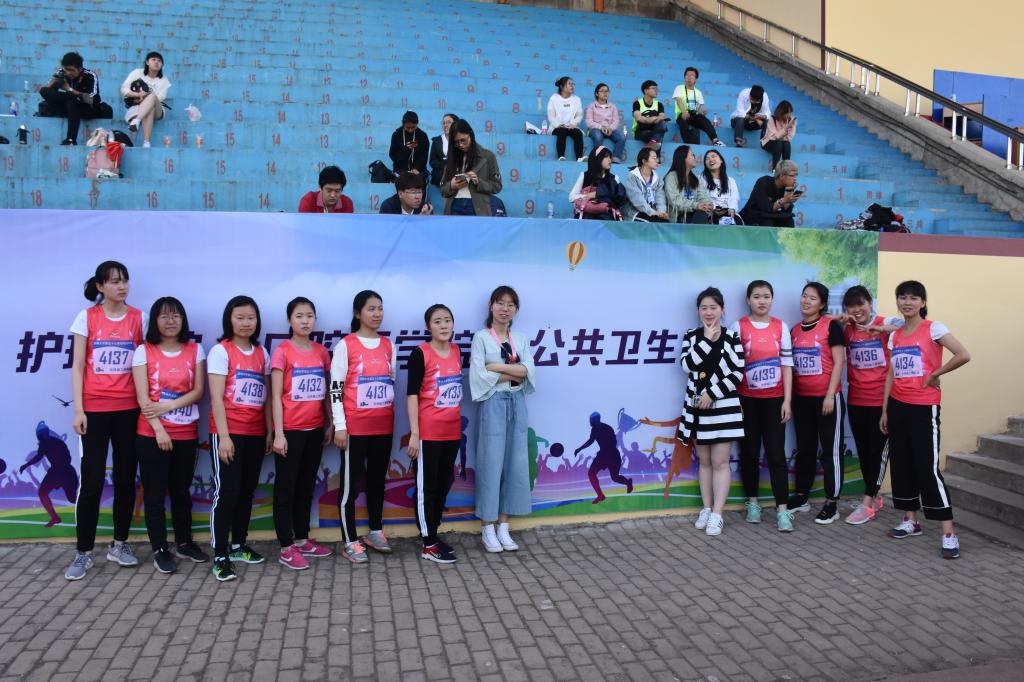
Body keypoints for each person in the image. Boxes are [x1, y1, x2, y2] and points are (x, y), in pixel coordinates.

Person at [65, 261, 145, 581]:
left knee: (125, 479)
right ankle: (83, 552)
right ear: (100, 286)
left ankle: (119, 544)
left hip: (129, 411)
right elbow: (77, 367)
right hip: (95, 412)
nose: (121, 286)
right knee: (92, 481)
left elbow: (144, 364)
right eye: (114, 281)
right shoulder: (86, 318)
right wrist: (79, 410)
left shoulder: (139, 318)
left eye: (125, 280)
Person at [881, 281, 970, 559]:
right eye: (902, 298)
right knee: (902, 464)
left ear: (922, 302)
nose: (907, 302)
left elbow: (963, 354)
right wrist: (885, 409)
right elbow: (891, 374)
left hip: (924, 407)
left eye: (913, 298)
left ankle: (948, 533)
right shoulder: (895, 336)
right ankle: (911, 520)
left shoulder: (934, 328)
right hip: (898, 406)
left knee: (927, 467)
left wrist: (935, 374)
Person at [132, 297, 207, 574]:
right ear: (155, 321)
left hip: (186, 433)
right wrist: (160, 430)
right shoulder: (144, 351)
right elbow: (143, 398)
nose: (170, 321)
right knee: (154, 493)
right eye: (164, 316)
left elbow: (198, 392)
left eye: (176, 315)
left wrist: (168, 406)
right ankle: (160, 549)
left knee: (181, 491)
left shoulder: (195, 350)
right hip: (151, 434)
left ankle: (184, 542)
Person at [208, 295, 273, 582]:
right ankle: (220, 555)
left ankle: (238, 545)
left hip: (255, 433)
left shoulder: (262, 353)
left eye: (251, 318)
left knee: (246, 491)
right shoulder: (221, 351)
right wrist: (224, 437)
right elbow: (216, 398)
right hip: (229, 433)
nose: (246, 323)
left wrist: (269, 430)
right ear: (229, 320)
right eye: (240, 318)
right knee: (227, 493)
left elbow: (266, 396)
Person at [330, 291, 396, 564]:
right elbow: (336, 388)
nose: (377, 313)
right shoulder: (346, 345)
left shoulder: (388, 345)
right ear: (358, 313)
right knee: (350, 486)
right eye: (371, 309)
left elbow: (391, 381)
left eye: (380, 308)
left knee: (377, 481)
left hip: (383, 426)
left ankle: (376, 532)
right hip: (355, 428)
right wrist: (340, 425)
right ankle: (350, 541)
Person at [470, 286, 536, 553]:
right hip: (493, 404)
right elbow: (478, 376)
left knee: (515, 463)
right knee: (491, 463)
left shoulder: (520, 338)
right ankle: (487, 527)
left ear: (516, 310)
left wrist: (496, 367)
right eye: (500, 303)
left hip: (517, 403)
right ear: (491, 306)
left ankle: (504, 526)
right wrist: (514, 371)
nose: (504, 308)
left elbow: (528, 371)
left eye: (510, 304)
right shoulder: (481, 338)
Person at [269, 297, 334, 570]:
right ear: (289, 320)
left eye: (309, 316)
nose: (305, 321)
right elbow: (275, 396)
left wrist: (330, 422)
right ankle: (286, 547)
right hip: (290, 432)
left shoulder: (321, 352)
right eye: (299, 316)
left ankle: (302, 539)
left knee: (306, 487)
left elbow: (328, 391)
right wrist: (278, 434)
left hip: (315, 430)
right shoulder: (282, 351)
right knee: (286, 489)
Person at [679, 287, 745, 537]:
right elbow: (687, 365)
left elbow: (738, 372)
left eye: (713, 308)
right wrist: (706, 339)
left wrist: (713, 393)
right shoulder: (691, 336)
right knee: (704, 462)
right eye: (704, 308)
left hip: (724, 409)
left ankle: (718, 514)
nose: (708, 312)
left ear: (722, 309)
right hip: (697, 409)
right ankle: (706, 509)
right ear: (698, 310)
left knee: (720, 462)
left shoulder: (732, 337)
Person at [729, 280, 794, 531]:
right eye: (756, 296)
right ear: (748, 300)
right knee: (749, 454)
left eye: (766, 296)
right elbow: (732, 367)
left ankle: (782, 510)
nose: (762, 301)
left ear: (772, 299)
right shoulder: (738, 327)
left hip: (775, 401)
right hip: (747, 401)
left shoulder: (780, 326)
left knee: (776, 455)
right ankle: (753, 503)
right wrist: (736, 401)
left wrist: (787, 400)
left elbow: (786, 365)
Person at [406, 304, 464, 563]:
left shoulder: (456, 351)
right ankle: (428, 543)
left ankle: (434, 534)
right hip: (428, 433)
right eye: (438, 321)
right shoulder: (420, 353)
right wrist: (414, 433)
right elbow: (412, 395)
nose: (444, 325)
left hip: (452, 432)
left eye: (447, 320)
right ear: (428, 326)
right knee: (426, 489)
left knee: (443, 485)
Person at [840, 286, 901, 526]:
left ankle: (867, 502)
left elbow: (907, 325)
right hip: (856, 400)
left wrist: (882, 329)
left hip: (881, 401)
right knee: (864, 452)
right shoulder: (849, 329)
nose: (856, 310)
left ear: (870, 303)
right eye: (851, 306)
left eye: (860, 304)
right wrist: (842, 319)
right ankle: (873, 498)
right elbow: (826, 324)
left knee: (877, 452)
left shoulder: (884, 323)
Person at [788, 282, 847, 524]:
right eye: (804, 296)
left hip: (827, 399)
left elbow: (839, 362)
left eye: (812, 298)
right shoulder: (794, 330)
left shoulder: (831, 326)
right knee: (805, 449)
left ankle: (832, 502)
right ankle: (802, 495)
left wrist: (830, 395)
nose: (806, 301)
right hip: (802, 400)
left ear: (822, 304)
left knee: (831, 451)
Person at [440, 119, 503, 216]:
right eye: (456, 142)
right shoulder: (451, 158)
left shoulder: (488, 156)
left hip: (477, 207)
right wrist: (451, 185)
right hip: (454, 205)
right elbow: (443, 189)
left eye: (463, 140)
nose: (460, 145)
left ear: (471, 135)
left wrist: (478, 182)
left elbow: (497, 186)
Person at [39, 52, 104, 145]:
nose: (68, 72)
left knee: (72, 100)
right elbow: (48, 92)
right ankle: (72, 98)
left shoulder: (90, 75)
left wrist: (69, 89)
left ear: (80, 69)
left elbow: (91, 100)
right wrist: (52, 83)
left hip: (87, 109)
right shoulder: (61, 73)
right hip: (68, 108)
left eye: (71, 70)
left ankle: (71, 139)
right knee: (43, 91)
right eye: (66, 69)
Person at [21, 422, 78, 528]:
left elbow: (39, 457)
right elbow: (68, 458)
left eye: (39, 434)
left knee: (70, 498)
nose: (39, 436)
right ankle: (55, 518)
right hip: (67, 471)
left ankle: (56, 517)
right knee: (70, 498)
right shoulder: (58, 442)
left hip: (59, 471)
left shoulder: (45, 443)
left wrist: (26, 465)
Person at [574, 412, 633, 503]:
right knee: (613, 477)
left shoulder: (598, 429)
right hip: (612, 454)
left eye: (591, 419)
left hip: (607, 454)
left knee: (602, 475)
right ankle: (625, 483)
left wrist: (580, 448)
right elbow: (613, 442)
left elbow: (591, 441)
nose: (590, 421)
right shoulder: (604, 428)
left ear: (595, 419)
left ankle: (602, 495)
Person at [119, 51, 171, 148]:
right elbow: (124, 89)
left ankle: (137, 120)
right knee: (149, 109)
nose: (156, 62)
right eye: (153, 60)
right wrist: (137, 94)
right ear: (147, 62)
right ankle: (146, 142)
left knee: (152, 97)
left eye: (159, 61)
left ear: (162, 65)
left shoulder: (164, 80)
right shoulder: (137, 73)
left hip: (158, 109)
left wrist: (143, 97)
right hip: (137, 107)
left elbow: (160, 98)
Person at [568, 145, 626, 220]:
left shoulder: (614, 178)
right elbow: (571, 197)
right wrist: (587, 196)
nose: (609, 160)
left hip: (607, 214)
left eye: (610, 157)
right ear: (597, 158)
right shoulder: (585, 176)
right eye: (606, 157)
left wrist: (596, 194)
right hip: (588, 212)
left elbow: (621, 197)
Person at [739, 160, 801, 228]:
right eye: (792, 175)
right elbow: (768, 208)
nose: (795, 179)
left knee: (788, 220)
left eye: (796, 176)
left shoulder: (786, 187)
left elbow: (786, 212)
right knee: (768, 221)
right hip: (754, 215)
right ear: (781, 176)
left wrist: (789, 194)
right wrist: (784, 200)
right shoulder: (763, 182)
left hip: (771, 216)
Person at [672, 67, 724, 147]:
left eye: (692, 75)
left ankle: (715, 140)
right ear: (684, 77)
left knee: (705, 121)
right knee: (683, 121)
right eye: (687, 75)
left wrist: (702, 111)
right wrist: (684, 111)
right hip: (682, 114)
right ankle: (688, 144)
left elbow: (701, 107)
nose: (689, 77)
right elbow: (679, 101)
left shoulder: (698, 92)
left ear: (696, 79)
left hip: (694, 114)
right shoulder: (679, 88)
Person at [664, 145, 713, 224]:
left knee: (703, 213)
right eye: (692, 155)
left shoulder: (696, 179)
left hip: (694, 215)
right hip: (677, 218)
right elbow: (674, 201)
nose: (694, 158)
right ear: (683, 157)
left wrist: (707, 205)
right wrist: (696, 205)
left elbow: (703, 196)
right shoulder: (671, 177)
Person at [623, 147, 668, 222]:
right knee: (652, 222)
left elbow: (660, 197)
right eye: (653, 158)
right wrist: (652, 212)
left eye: (656, 158)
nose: (657, 161)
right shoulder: (633, 177)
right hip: (634, 212)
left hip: (652, 212)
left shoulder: (658, 178)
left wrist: (661, 212)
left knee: (665, 222)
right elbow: (637, 199)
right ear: (644, 161)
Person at [547, 76, 585, 162]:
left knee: (578, 133)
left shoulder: (577, 99)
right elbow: (551, 115)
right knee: (562, 131)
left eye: (573, 84)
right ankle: (561, 156)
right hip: (557, 127)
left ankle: (579, 157)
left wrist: (574, 124)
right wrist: (558, 125)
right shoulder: (554, 98)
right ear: (562, 87)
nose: (572, 86)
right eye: (569, 84)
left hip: (571, 126)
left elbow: (579, 115)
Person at [585, 83, 626, 163]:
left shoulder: (612, 106)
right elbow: (589, 122)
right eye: (602, 91)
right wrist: (601, 128)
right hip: (596, 129)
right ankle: (599, 157)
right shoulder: (591, 106)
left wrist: (610, 128)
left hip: (610, 129)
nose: (605, 93)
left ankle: (616, 157)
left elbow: (616, 121)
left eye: (607, 91)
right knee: (598, 136)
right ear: (596, 94)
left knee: (622, 137)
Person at [699, 149, 741, 224]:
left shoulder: (731, 180)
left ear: (721, 160)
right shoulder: (701, 179)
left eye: (713, 156)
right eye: (707, 159)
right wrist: (713, 209)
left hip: (729, 213)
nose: (710, 160)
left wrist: (732, 209)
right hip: (710, 214)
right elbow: (701, 198)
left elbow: (735, 197)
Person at [389, 110, 431, 179]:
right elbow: (393, 155)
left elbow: (423, 156)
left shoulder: (422, 136)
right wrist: (405, 149)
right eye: (408, 127)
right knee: (403, 180)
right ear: (403, 124)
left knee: (418, 179)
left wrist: (416, 168)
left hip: (418, 170)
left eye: (413, 127)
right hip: (400, 169)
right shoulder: (396, 135)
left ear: (417, 124)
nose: (410, 130)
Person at [631, 80, 671, 151]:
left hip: (654, 130)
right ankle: (655, 153)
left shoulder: (659, 104)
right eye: (653, 88)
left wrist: (648, 119)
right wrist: (655, 119)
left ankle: (652, 144)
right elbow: (639, 118)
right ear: (646, 91)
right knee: (658, 138)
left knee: (663, 125)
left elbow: (662, 118)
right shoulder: (637, 103)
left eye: (657, 89)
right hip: (641, 131)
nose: (656, 91)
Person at [761, 100, 797, 171]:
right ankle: (775, 170)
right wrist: (786, 128)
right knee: (778, 143)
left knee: (786, 144)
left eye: (790, 113)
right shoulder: (772, 119)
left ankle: (786, 170)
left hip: (781, 143)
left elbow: (789, 138)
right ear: (781, 112)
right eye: (787, 113)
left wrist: (782, 135)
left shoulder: (791, 121)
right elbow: (773, 137)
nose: (789, 115)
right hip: (768, 142)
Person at [429, 113, 458, 188]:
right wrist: (445, 164)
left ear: (456, 124)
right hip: (441, 177)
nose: (445, 125)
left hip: (457, 176)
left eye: (448, 122)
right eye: (444, 123)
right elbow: (432, 162)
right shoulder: (437, 141)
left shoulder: (460, 140)